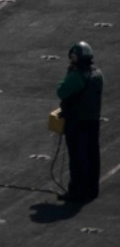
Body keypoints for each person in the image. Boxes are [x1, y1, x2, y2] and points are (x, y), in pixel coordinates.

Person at [56, 41, 103, 203]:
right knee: (92, 155)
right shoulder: (98, 74)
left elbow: (61, 91)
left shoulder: (75, 76)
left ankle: (76, 191)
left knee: (77, 157)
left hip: (77, 122)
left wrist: (69, 73)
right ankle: (91, 189)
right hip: (93, 121)